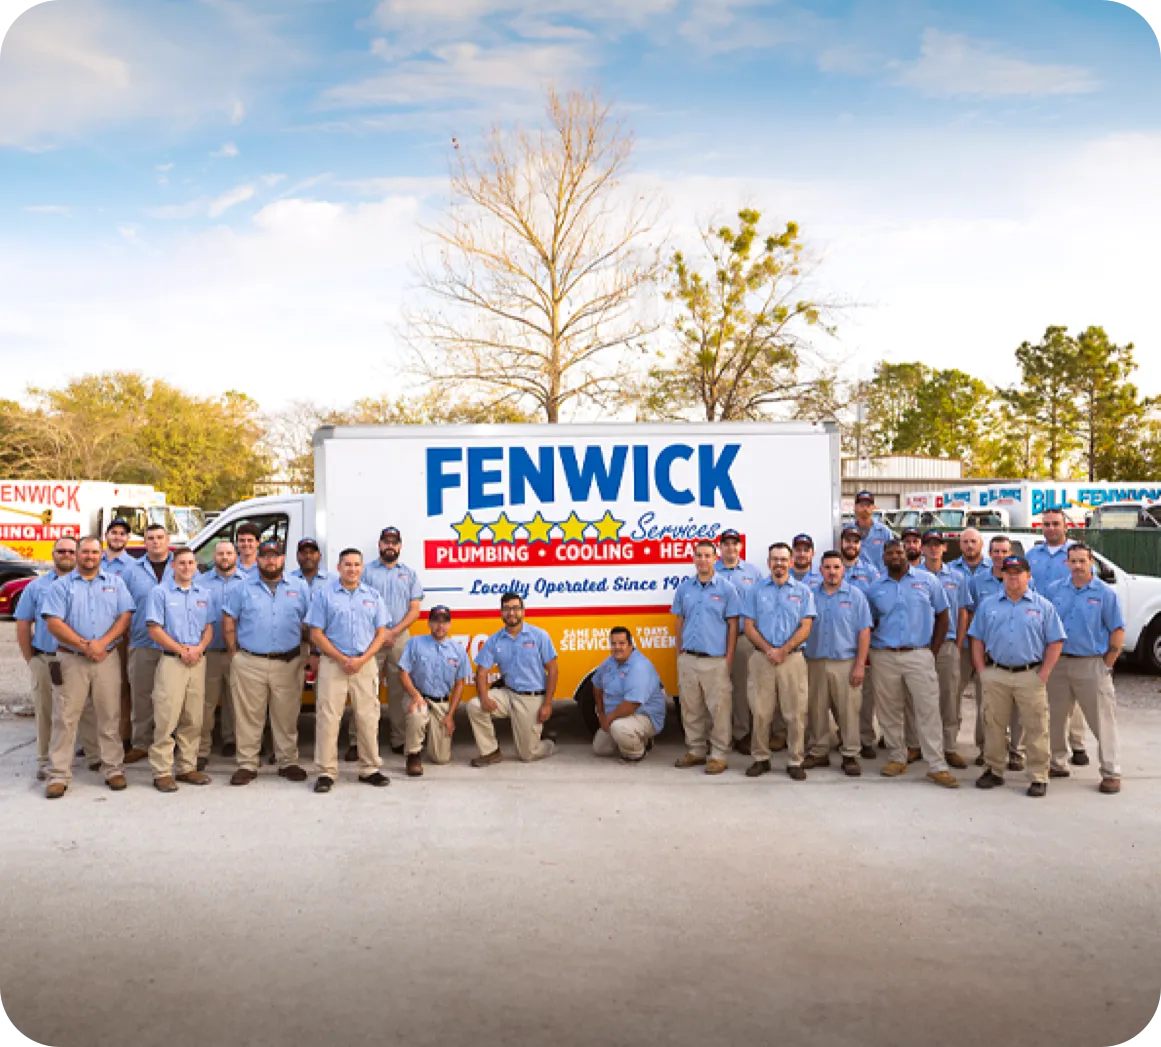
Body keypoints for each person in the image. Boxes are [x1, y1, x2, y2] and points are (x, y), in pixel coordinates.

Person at [41, 536, 135, 798]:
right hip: (71, 659)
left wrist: (102, 644)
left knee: (109, 715)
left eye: (95, 552)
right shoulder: (61, 586)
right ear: (78, 555)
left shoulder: (115, 584)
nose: (90, 556)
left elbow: (125, 615)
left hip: (107, 658)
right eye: (85, 552)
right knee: (66, 717)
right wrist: (85, 646)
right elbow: (54, 623)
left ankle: (113, 768)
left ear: (100, 554)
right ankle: (58, 774)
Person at [969, 555, 1066, 797]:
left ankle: (1038, 775)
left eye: (1018, 572)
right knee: (993, 725)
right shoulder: (988, 605)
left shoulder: (1042, 606)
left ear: (1028, 576)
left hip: (1029, 675)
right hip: (996, 673)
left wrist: (1043, 673)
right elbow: (977, 638)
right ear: (1002, 575)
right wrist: (982, 670)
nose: (1013, 576)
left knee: (1036, 727)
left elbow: (1055, 641)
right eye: (1008, 572)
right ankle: (994, 769)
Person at [865, 539, 958, 788]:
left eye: (899, 552)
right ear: (883, 558)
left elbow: (943, 616)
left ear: (907, 554)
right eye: (890, 553)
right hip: (884, 655)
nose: (895, 556)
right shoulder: (875, 589)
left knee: (927, 710)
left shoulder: (928, 581)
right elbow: (869, 623)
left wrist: (933, 650)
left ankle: (937, 765)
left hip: (919, 653)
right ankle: (897, 757)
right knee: (889, 710)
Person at [222, 540, 311, 785]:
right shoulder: (242, 588)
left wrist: (309, 654)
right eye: (265, 557)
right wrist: (234, 653)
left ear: (283, 559)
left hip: (288, 662)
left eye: (275, 556)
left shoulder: (299, 587)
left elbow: (309, 623)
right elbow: (229, 619)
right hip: (250, 661)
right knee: (249, 716)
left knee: (287, 715)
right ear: (258, 559)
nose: (270, 561)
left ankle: (287, 761)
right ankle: (247, 763)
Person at [305, 548, 390, 792]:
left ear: (362, 568)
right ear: (339, 568)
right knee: (328, 718)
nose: (352, 569)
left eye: (356, 565)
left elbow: (381, 632)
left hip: (364, 665)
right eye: (348, 565)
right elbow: (316, 633)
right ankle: (326, 772)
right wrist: (341, 658)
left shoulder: (372, 596)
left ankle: (370, 768)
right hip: (334, 664)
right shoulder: (325, 596)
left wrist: (363, 659)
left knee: (368, 717)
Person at [16, 537, 99, 780]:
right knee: (46, 710)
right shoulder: (36, 587)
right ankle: (45, 760)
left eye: (70, 551)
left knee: (86, 709)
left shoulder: (88, 585)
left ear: (78, 554)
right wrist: (30, 659)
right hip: (47, 658)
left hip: (79, 658)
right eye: (60, 550)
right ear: (53, 553)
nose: (66, 554)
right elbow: (23, 623)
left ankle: (94, 756)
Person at [1045, 544, 1124, 794]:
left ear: (1091, 562)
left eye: (1082, 561)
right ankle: (1058, 763)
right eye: (1073, 561)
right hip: (1058, 663)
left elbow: (1117, 629)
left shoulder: (1104, 593)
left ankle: (1111, 771)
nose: (1077, 566)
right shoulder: (1054, 590)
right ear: (1066, 563)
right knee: (1055, 718)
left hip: (1091, 663)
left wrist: (1107, 663)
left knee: (1102, 720)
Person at [742, 542, 816, 780]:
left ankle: (795, 760)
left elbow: (806, 626)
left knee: (795, 713)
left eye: (784, 559)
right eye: (775, 559)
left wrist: (783, 650)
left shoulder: (803, 592)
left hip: (792, 659)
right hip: (761, 658)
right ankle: (760, 758)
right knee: (761, 712)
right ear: (768, 563)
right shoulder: (755, 591)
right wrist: (768, 650)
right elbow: (749, 626)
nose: (779, 564)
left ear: (791, 562)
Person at [670, 539, 742, 775]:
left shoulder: (726, 589)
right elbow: (679, 621)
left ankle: (719, 755)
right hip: (689, 658)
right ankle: (696, 750)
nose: (702, 560)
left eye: (707, 556)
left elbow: (733, 625)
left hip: (715, 660)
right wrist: (679, 653)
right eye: (698, 555)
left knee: (719, 710)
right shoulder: (684, 588)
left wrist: (729, 659)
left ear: (715, 558)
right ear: (693, 558)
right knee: (691, 708)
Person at [145, 548, 213, 792]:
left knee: (193, 717)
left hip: (197, 661)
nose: (186, 567)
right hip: (173, 661)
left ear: (196, 566)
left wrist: (199, 648)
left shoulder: (203, 594)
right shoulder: (160, 593)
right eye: (181, 563)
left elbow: (208, 628)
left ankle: (187, 767)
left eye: (190, 563)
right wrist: (181, 650)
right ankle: (162, 771)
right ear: (173, 566)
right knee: (166, 716)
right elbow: (154, 629)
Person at [1027, 507, 1089, 765]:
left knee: (1072, 693)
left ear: (1066, 526)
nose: (1051, 528)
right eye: (1047, 524)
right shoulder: (1032, 555)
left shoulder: (1076, 554)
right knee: (1049, 694)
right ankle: (1051, 746)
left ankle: (1078, 744)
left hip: (1069, 632)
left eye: (1055, 524)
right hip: (1038, 631)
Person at [466, 592, 558, 765]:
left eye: (515, 608)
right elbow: (482, 672)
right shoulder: (495, 640)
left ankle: (549, 743)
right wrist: (485, 698)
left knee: (527, 755)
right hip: (508, 695)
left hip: (531, 698)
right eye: (507, 609)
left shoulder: (539, 636)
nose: (511, 613)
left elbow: (553, 670)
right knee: (475, 705)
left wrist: (547, 703)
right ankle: (491, 751)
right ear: (501, 613)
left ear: (523, 611)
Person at [803, 551, 871, 777]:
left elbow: (864, 632)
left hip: (845, 662)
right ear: (820, 570)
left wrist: (860, 665)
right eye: (827, 567)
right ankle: (819, 750)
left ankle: (850, 754)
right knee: (816, 709)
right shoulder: (810, 596)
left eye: (836, 567)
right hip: (815, 661)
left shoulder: (856, 596)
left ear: (843, 570)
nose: (832, 572)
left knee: (849, 711)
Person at [361, 526, 423, 758]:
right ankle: (359, 740)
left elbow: (414, 610)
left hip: (399, 637)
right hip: (369, 637)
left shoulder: (409, 574)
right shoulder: (365, 572)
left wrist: (393, 631)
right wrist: (379, 633)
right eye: (386, 541)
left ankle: (398, 738)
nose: (390, 546)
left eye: (394, 542)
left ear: (399, 546)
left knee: (399, 690)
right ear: (379, 545)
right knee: (365, 689)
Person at [966, 536, 1024, 769]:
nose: (1000, 556)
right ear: (989, 554)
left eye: (1005, 551)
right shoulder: (978, 582)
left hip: (1018, 654)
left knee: (1017, 710)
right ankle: (986, 748)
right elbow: (971, 617)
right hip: (990, 655)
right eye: (996, 551)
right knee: (987, 706)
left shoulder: (1023, 581)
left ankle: (1016, 752)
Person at [918, 531, 971, 769]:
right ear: (921, 548)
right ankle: (918, 745)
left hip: (948, 645)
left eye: (937, 545)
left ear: (944, 548)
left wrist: (958, 645)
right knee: (918, 698)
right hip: (920, 645)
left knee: (949, 698)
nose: (933, 549)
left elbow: (962, 612)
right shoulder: (914, 576)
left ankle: (949, 746)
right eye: (928, 545)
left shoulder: (957, 577)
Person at [122, 524, 174, 764]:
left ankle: (172, 742)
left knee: (173, 698)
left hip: (175, 645)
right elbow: (122, 607)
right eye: (150, 538)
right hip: (142, 642)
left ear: (168, 539)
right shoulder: (131, 571)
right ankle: (141, 742)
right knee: (142, 696)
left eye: (160, 537)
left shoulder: (182, 565)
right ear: (144, 542)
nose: (155, 542)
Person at [400, 605, 472, 776]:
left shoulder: (458, 650)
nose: (440, 626)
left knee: (441, 758)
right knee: (417, 714)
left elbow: (459, 684)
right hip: (419, 697)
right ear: (429, 623)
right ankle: (413, 755)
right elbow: (403, 673)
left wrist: (451, 715)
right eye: (436, 622)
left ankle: (431, 738)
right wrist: (416, 696)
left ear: (449, 624)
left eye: (444, 622)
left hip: (441, 702)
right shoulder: (415, 643)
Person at [714, 528, 762, 755]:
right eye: (726, 543)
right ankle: (720, 735)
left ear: (740, 547)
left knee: (743, 688)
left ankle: (742, 733)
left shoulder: (752, 572)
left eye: (735, 543)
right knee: (720, 689)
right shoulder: (712, 572)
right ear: (720, 547)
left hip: (744, 640)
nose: (730, 547)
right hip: (717, 640)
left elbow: (763, 602)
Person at [591, 626, 667, 763]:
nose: (617, 647)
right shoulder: (610, 662)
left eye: (621, 643)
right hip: (617, 716)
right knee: (600, 748)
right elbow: (597, 684)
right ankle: (640, 740)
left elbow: (632, 704)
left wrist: (608, 720)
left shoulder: (639, 666)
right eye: (613, 644)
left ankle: (635, 753)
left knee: (619, 729)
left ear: (631, 645)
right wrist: (601, 713)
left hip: (642, 715)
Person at [198, 540, 242, 770]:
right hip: (210, 651)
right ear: (213, 557)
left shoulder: (247, 582)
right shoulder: (200, 582)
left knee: (237, 703)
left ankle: (232, 741)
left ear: (236, 555)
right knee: (205, 704)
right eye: (221, 554)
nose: (225, 557)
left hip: (239, 652)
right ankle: (202, 749)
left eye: (229, 553)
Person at [841, 524, 883, 760]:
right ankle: (843, 736)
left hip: (863, 641)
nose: (851, 545)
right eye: (847, 540)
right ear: (841, 543)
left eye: (855, 541)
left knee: (864, 694)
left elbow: (877, 607)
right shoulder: (829, 570)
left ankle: (865, 737)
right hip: (836, 642)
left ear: (860, 546)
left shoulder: (871, 573)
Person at [948, 527, 989, 756]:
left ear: (981, 544)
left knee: (987, 700)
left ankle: (985, 748)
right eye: (965, 542)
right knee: (953, 696)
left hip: (987, 648)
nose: (969, 546)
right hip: (960, 646)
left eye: (973, 541)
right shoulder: (951, 571)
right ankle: (950, 744)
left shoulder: (996, 572)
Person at [853, 491, 894, 572]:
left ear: (873, 507)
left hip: (879, 580)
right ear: (855, 507)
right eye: (862, 505)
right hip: (855, 579)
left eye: (868, 505)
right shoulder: (847, 531)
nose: (865, 508)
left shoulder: (884, 532)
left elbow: (892, 556)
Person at [839, 526, 880, 594]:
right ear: (841, 542)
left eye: (856, 542)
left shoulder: (871, 571)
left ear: (860, 544)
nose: (852, 545)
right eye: (848, 541)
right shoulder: (831, 569)